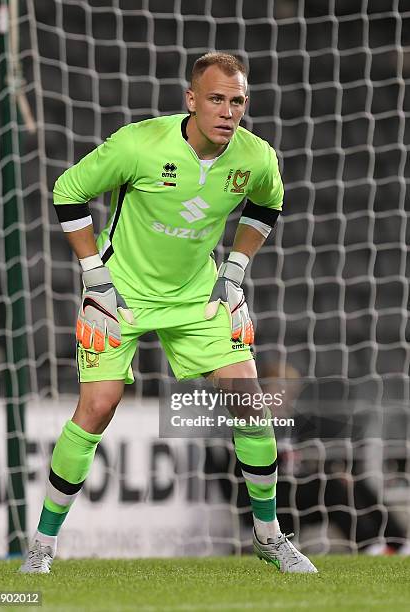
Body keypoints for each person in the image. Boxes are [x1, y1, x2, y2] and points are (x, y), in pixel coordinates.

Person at [20, 52, 317, 574]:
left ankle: (269, 537)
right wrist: (95, 277)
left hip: (197, 296)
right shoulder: (139, 144)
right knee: (98, 407)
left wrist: (235, 271)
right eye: (217, 99)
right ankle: (42, 545)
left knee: (250, 401)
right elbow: (68, 191)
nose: (228, 111)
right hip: (123, 294)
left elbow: (267, 205)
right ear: (192, 101)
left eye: (238, 101)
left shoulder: (256, 157)